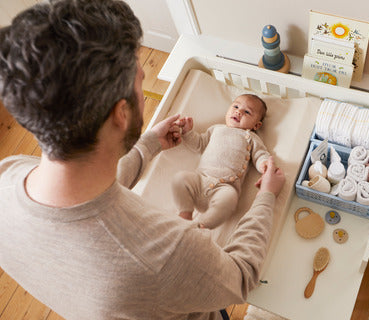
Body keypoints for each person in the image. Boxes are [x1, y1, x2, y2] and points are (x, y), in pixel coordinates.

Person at [0, 1, 285, 320]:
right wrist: (265, 197)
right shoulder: (172, 250)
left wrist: (147, 145)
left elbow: (87, 190)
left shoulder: (7, 174)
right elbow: (242, 276)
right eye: (140, 79)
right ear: (121, 114)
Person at [173, 94, 271, 228]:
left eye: (247, 112)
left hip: (224, 187)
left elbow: (260, 154)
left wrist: (264, 164)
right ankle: (185, 215)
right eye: (236, 106)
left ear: (256, 125)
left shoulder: (251, 137)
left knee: (230, 198)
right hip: (200, 180)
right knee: (180, 178)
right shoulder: (216, 129)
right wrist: (188, 132)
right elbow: (199, 144)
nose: (238, 111)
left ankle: (202, 225)